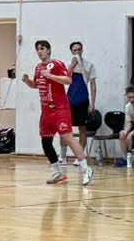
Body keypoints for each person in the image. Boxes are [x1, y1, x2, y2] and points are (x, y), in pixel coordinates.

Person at [31, 40, 91, 185]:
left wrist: (50, 76)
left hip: (60, 109)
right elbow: (36, 84)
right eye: (37, 49)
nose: (39, 51)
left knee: (68, 138)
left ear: (48, 50)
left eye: (42, 48)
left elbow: (68, 80)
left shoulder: (56, 64)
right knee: (46, 142)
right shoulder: (38, 67)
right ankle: (58, 173)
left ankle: (86, 169)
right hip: (46, 111)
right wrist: (27, 81)